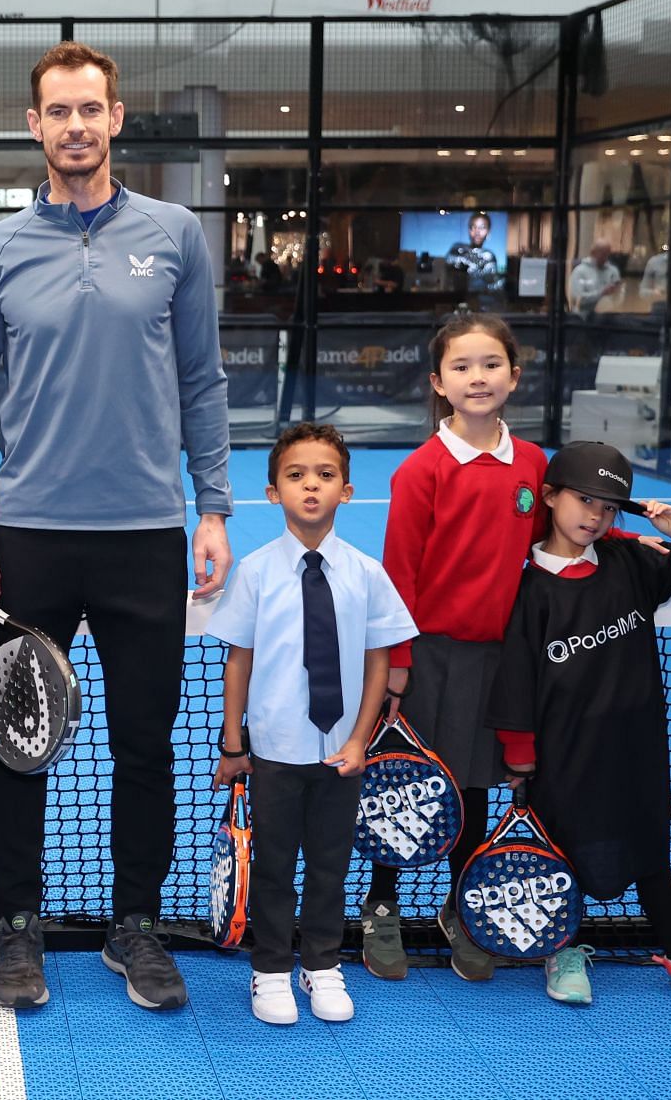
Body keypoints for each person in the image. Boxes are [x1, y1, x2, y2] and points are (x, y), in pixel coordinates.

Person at [0, 41, 232, 1012]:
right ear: (35, 126)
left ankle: (136, 924)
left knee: (145, 744)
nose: (74, 126)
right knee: (21, 742)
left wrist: (216, 508)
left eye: (90, 110)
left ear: (117, 119)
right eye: (57, 112)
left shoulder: (177, 235)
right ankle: (17, 924)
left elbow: (203, 380)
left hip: (146, 534)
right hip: (28, 537)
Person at [490, 442, 671, 1004]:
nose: (595, 515)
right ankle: (561, 952)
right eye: (584, 499)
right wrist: (519, 757)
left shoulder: (629, 562)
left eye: (609, 507)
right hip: (566, 755)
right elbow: (515, 679)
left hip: (637, 746)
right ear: (549, 497)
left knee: (650, 847)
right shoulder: (529, 589)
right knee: (562, 850)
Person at [209, 423, 417, 1025]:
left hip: (341, 753)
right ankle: (271, 969)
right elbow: (239, 659)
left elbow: (379, 658)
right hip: (274, 750)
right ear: (273, 493)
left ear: (347, 492)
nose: (311, 487)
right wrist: (233, 743)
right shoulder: (255, 571)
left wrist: (359, 739)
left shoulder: (366, 572)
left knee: (330, 864)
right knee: (274, 866)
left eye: (325, 476)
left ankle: (321, 964)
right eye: (296, 476)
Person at [361, 313, 547, 983]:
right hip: (429, 658)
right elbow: (397, 575)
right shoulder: (421, 472)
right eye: (462, 367)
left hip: (499, 660)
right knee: (406, 789)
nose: (478, 377)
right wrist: (399, 662)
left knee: (471, 788)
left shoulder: (532, 466)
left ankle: (462, 910)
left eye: (491, 364)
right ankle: (381, 905)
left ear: (514, 377)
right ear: (438, 383)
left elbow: (555, 549)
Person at [443, 211, 502, 294]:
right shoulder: (456, 249)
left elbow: (494, 287)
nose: (477, 231)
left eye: (482, 227)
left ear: (488, 232)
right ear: (469, 230)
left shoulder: (489, 256)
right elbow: (446, 276)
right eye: (473, 227)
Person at [568, 239, 621, 314]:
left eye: (607, 254)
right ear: (593, 253)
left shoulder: (613, 271)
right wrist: (600, 293)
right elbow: (577, 299)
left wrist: (616, 292)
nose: (605, 258)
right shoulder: (579, 271)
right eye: (603, 254)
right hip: (585, 316)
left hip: (608, 316)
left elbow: (617, 298)